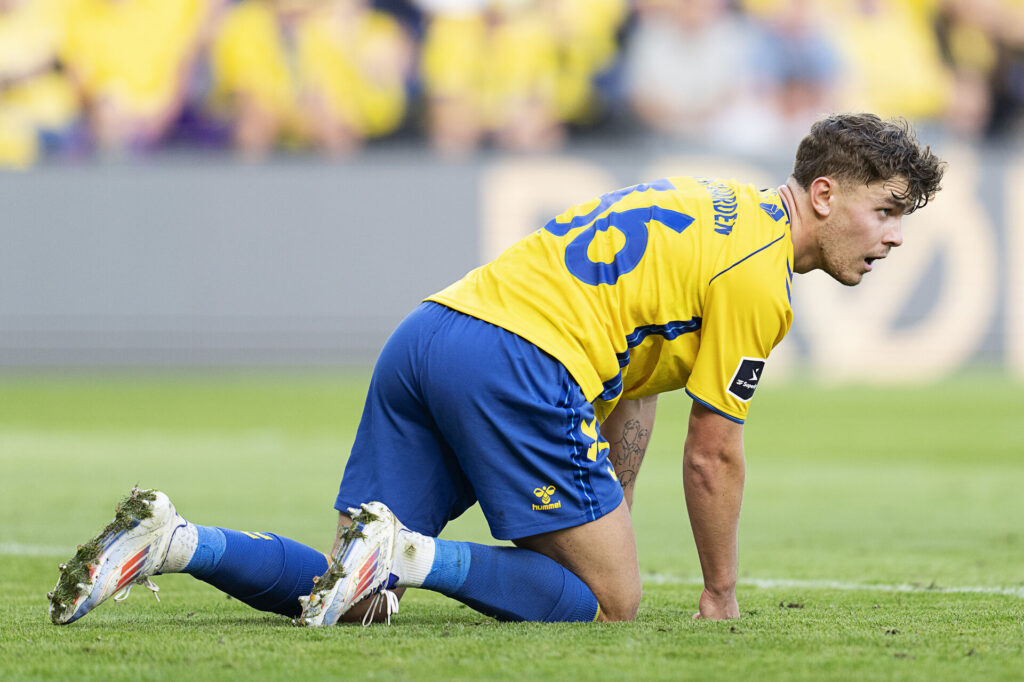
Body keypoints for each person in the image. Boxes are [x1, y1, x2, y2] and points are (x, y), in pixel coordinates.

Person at [49, 113, 944, 627]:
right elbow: (714, 456)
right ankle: (406, 551)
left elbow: (637, 382)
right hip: (522, 363)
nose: (895, 236)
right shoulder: (760, 276)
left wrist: (610, 507)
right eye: (886, 210)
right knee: (610, 602)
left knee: (349, 590)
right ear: (824, 195)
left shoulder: (706, 203)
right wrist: (719, 593)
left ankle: (170, 540)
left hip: (433, 332)